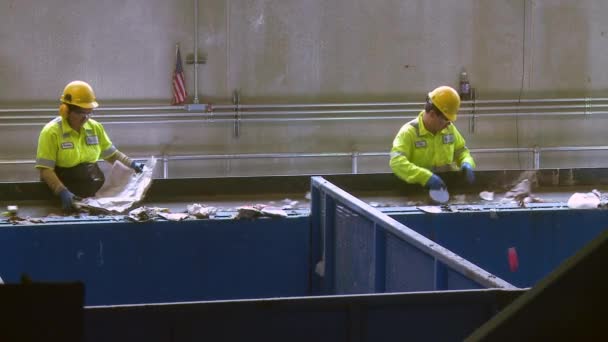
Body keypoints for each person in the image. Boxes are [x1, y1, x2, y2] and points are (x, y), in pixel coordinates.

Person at [35, 80, 144, 212]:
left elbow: (112, 155)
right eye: (81, 113)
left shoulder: (95, 128)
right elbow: (45, 170)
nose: (85, 118)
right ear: (66, 110)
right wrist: (62, 192)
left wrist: (132, 165)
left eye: (89, 112)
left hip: (92, 193)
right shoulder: (51, 132)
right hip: (62, 194)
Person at [390, 85, 476, 192]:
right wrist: (426, 178)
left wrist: (467, 163)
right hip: (417, 190)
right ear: (432, 114)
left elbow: (461, 151)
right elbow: (397, 162)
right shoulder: (409, 133)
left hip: (446, 189)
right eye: (445, 120)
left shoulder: (449, 129)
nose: (448, 124)